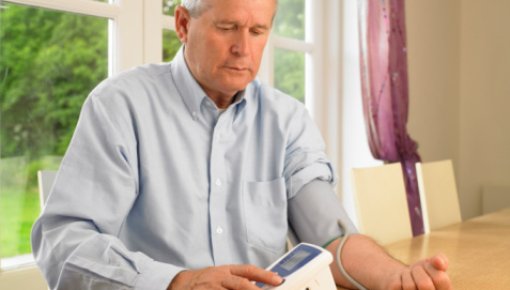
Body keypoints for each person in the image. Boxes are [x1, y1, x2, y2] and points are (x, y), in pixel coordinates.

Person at [31, 0, 453, 289]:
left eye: (257, 30)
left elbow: (331, 239)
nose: (243, 49)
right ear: (183, 24)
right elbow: (62, 240)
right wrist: (175, 281)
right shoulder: (120, 106)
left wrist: (396, 278)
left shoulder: (287, 121)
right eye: (227, 27)